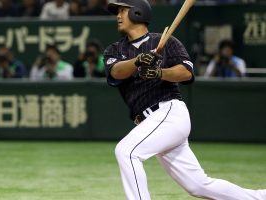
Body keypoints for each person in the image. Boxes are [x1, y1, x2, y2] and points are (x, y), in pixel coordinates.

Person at [103, 0, 266, 199]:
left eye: (122, 10)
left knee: (126, 151)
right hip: (150, 124)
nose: (118, 16)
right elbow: (116, 72)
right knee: (199, 186)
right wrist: (137, 61)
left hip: (168, 113)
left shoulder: (166, 41)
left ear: (138, 12)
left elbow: (186, 73)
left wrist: (158, 72)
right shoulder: (115, 50)